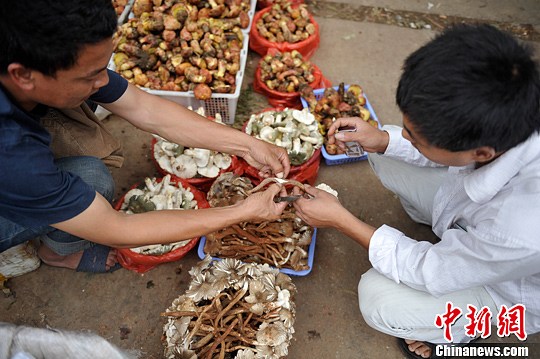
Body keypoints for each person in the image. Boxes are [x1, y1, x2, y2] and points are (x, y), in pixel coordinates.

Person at [292, 24, 540, 359]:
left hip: (505, 289)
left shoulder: (521, 228)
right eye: (408, 128)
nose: (407, 137)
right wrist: (382, 140)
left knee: (378, 299)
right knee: (384, 153)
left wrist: (341, 221)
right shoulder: (507, 113)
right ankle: (444, 230)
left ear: (482, 153)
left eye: (417, 138)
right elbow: (431, 151)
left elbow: (432, 270)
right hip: (477, 225)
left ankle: (461, 333)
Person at [0, 0, 290, 273]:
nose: (103, 81)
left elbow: (144, 107)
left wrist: (248, 145)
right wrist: (241, 212)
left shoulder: (40, 53)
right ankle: (55, 253)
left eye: (104, 67)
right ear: (23, 75)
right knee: (92, 179)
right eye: (89, 76)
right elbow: (116, 228)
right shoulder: (12, 153)